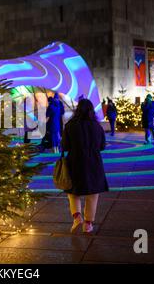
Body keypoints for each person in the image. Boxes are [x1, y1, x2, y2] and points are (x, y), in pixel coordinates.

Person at [62, 99, 108, 234]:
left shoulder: (70, 125)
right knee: (93, 193)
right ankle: (88, 223)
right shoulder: (97, 126)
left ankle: (77, 216)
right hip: (93, 162)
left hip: (74, 161)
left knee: (72, 190)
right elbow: (102, 146)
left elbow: (65, 146)